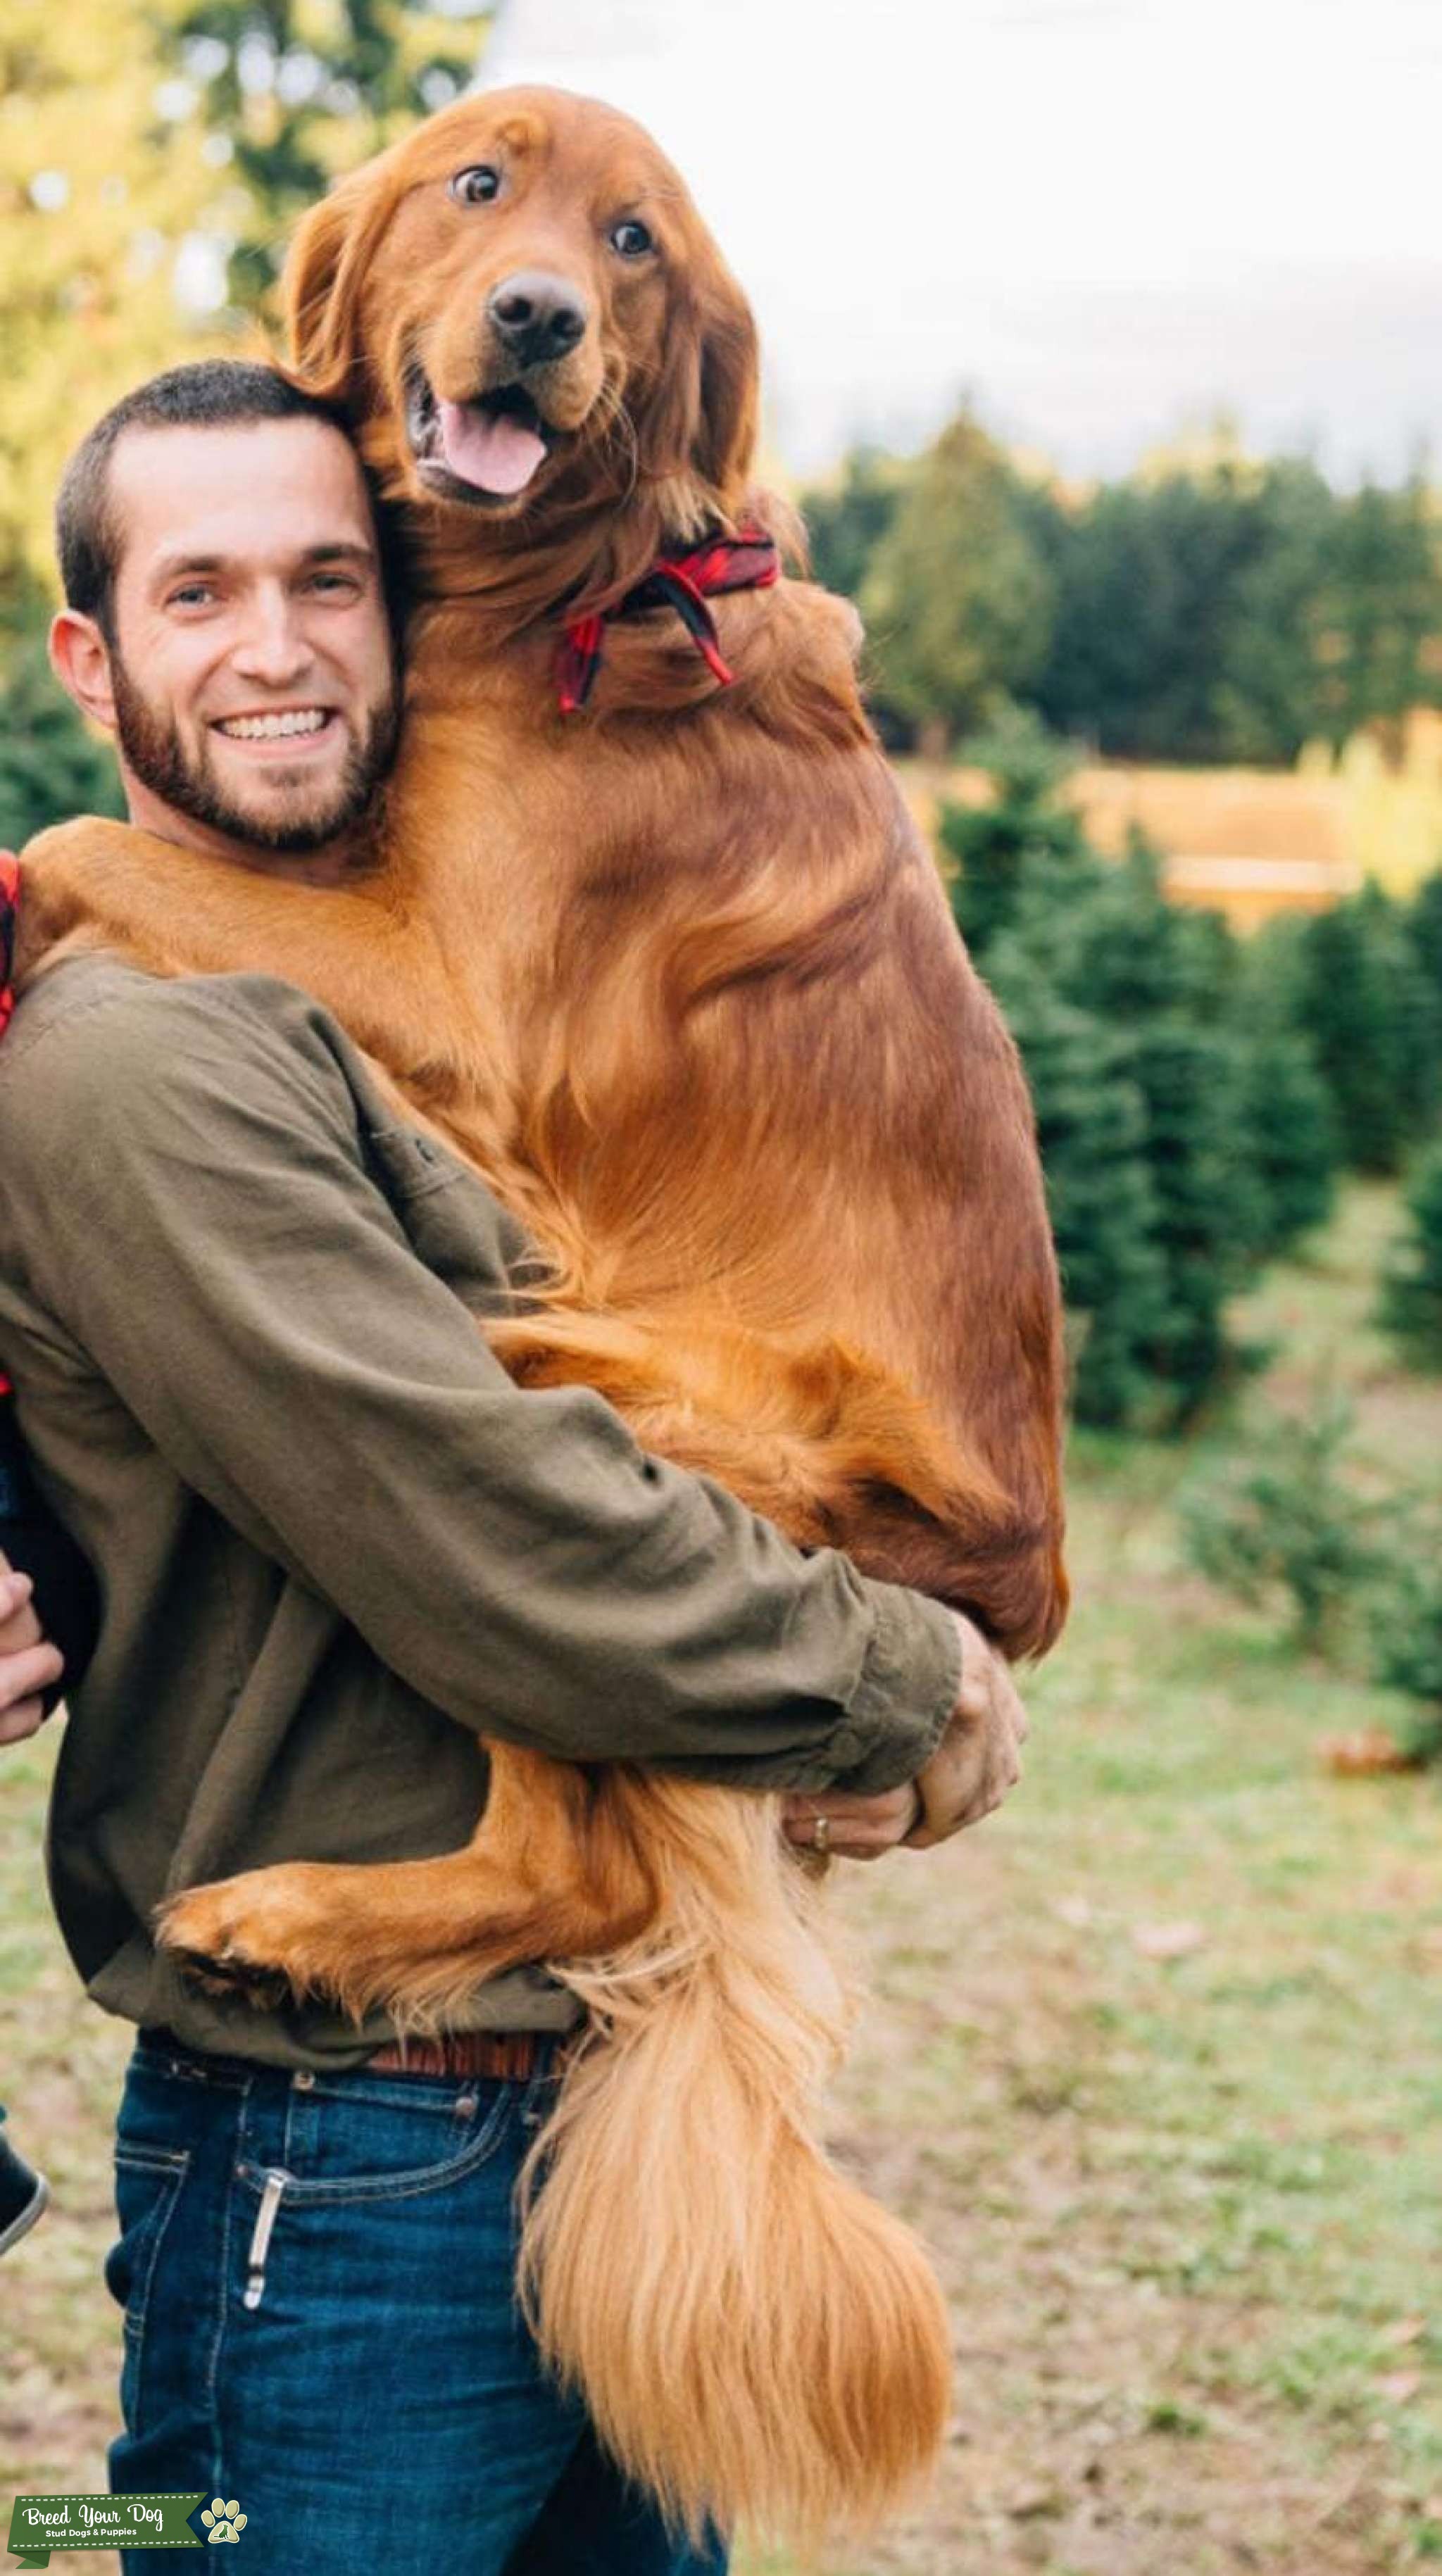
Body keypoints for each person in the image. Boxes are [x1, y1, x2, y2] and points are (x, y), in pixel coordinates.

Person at [0, 361, 1029, 2576]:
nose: (274, 646)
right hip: (339, 2160)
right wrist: (901, 1681)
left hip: (578, 2094)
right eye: (200, 593)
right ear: (95, 656)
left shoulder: (394, 1016)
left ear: (407, 611)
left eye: (325, 580)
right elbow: (486, 1519)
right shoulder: (142, 1063)